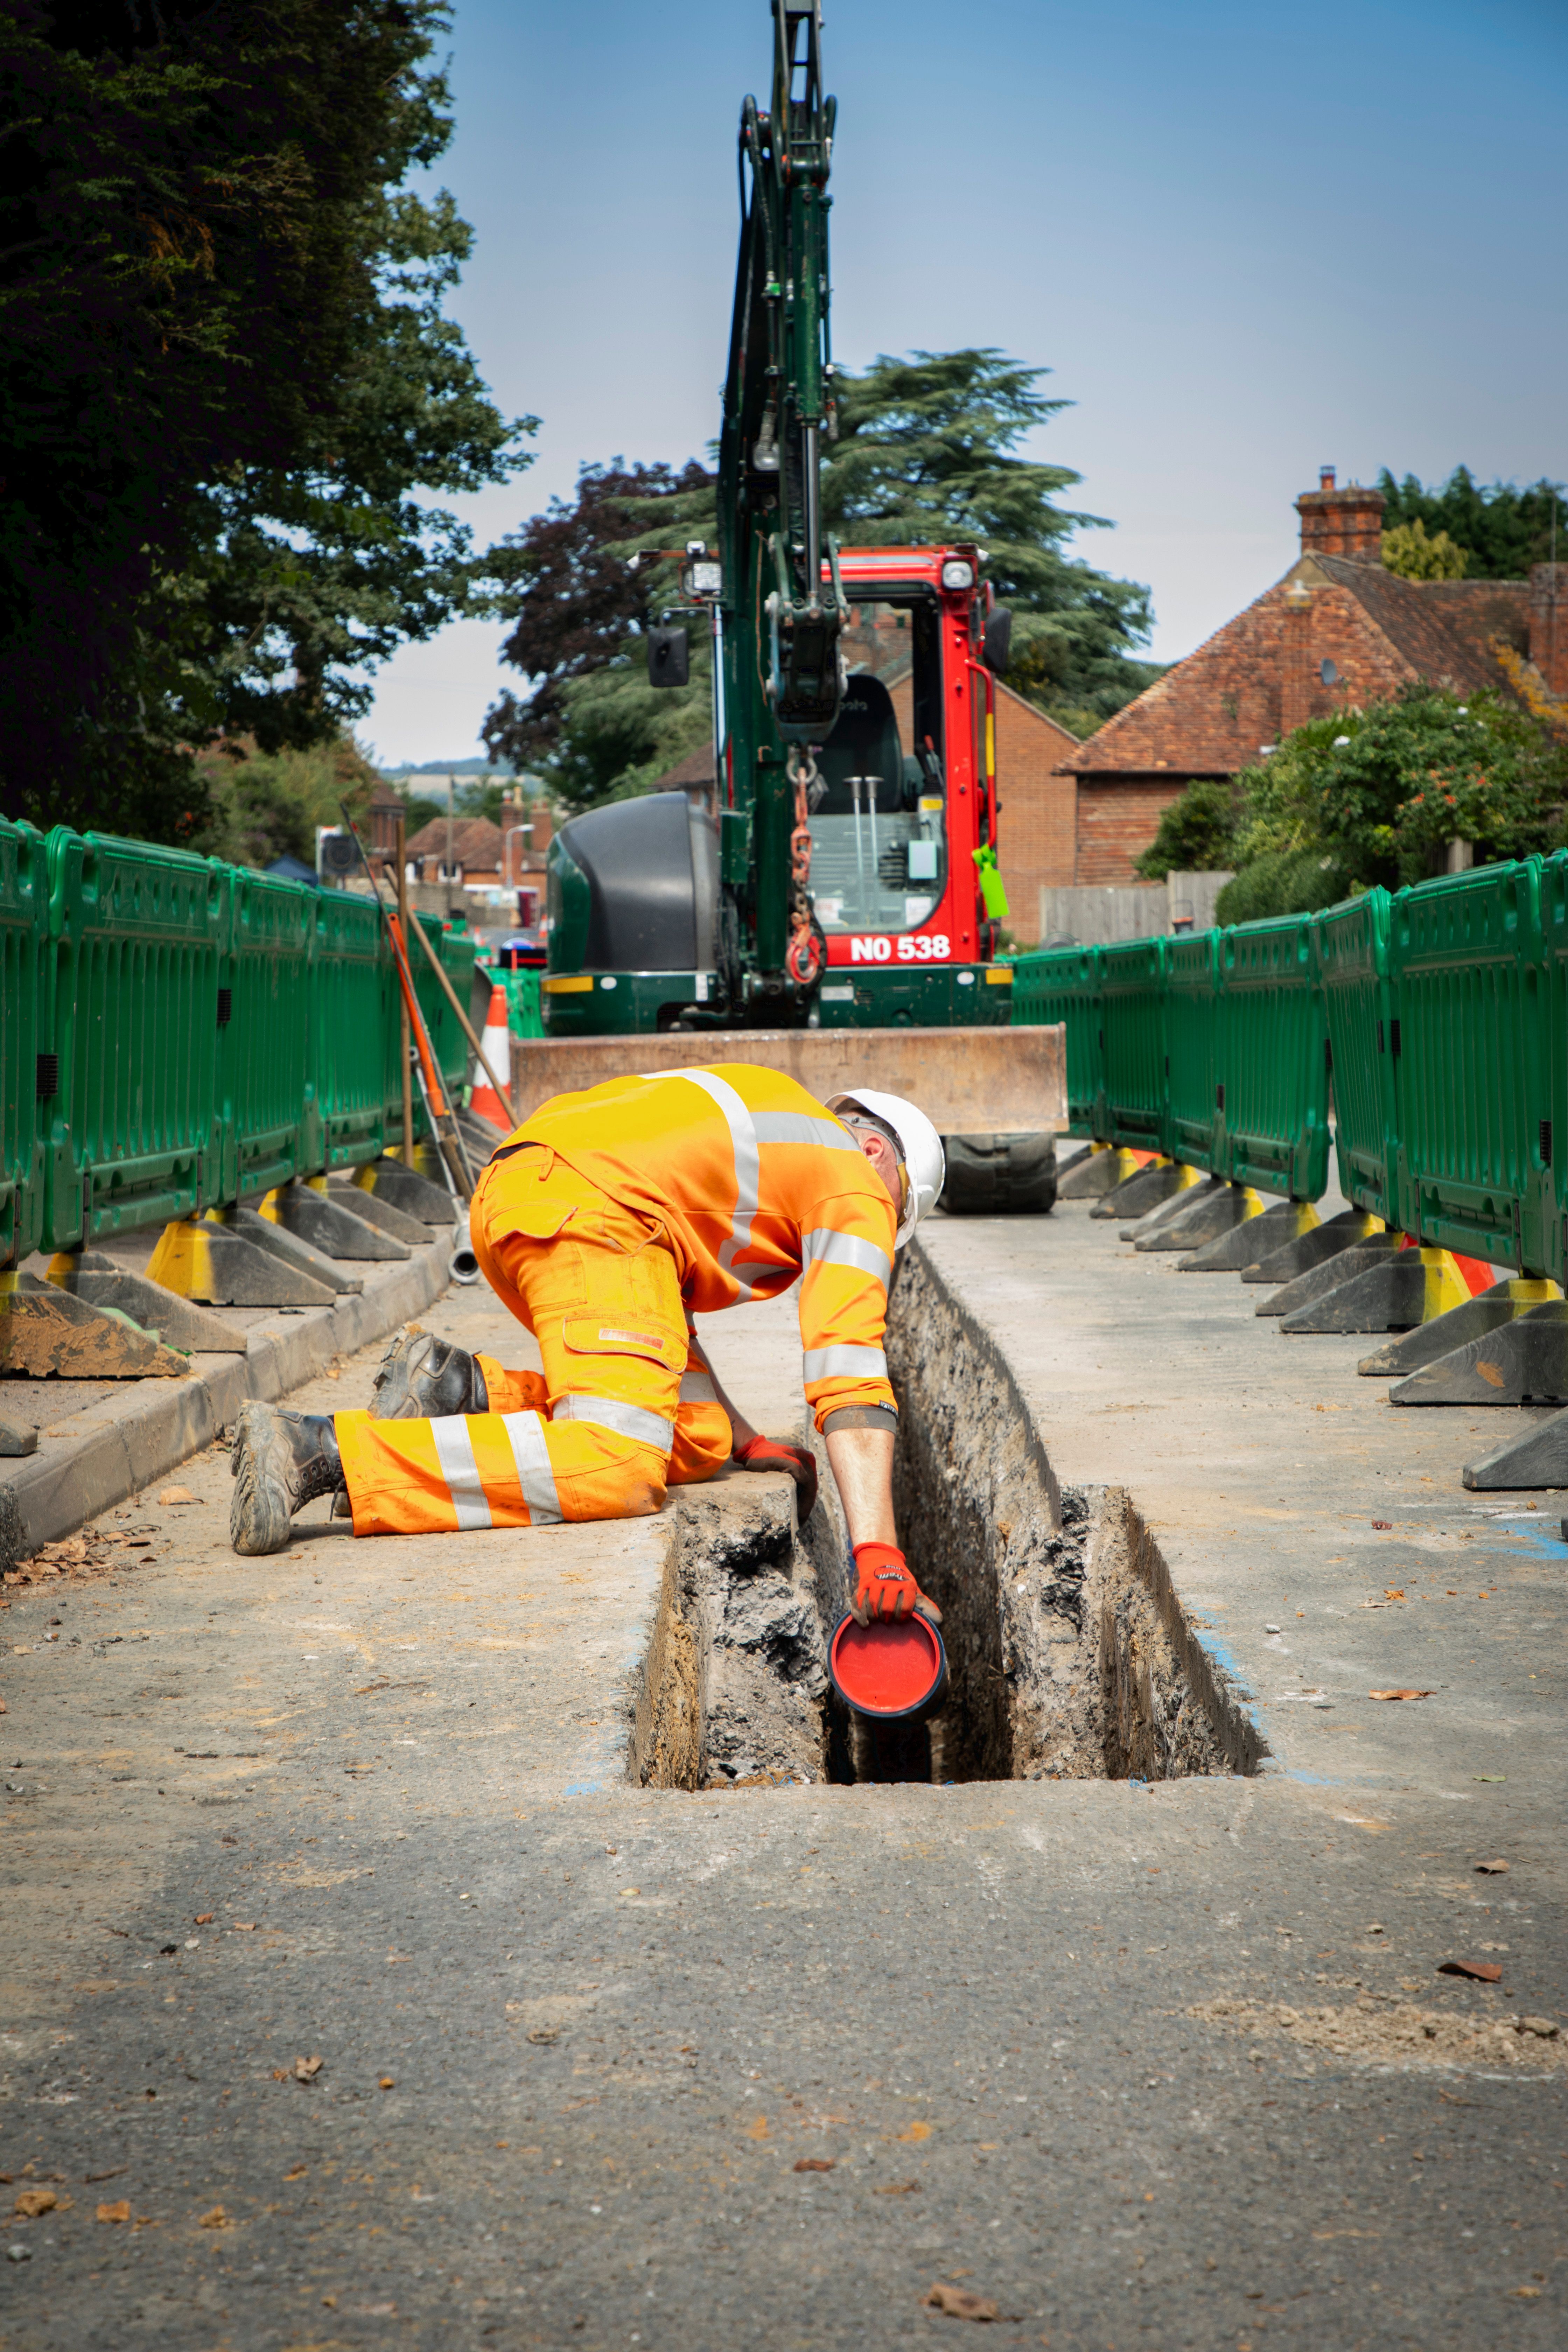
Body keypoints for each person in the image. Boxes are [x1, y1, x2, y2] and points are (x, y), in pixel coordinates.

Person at [228, 1065, 945, 1628]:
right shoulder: (856, 1181)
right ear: (876, 1149)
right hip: (593, 1214)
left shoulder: (776, 1119)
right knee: (618, 1463)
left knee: (691, 1438)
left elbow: (661, 1321)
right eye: (899, 1204)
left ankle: (455, 1390)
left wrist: (744, 1440)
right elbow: (847, 1368)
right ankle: (320, 1452)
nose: (886, 1225)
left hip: (522, 1196)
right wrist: (875, 1551)